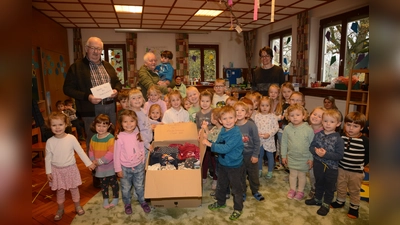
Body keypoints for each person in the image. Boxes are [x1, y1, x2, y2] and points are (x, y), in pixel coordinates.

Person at [63, 37, 122, 186]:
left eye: (99, 49)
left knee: (110, 140)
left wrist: (116, 90)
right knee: (94, 142)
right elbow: (67, 88)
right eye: (93, 48)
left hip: (110, 107)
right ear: (86, 48)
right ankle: (97, 175)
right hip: (91, 109)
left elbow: (117, 83)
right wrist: (87, 97)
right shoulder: (76, 67)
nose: (96, 52)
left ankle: (112, 172)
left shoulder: (108, 66)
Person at [44, 112, 95, 221]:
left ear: (66, 124)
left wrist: (88, 163)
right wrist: (48, 172)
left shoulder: (71, 138)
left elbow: (80, 152)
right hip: (56, 171)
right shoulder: (50, 142)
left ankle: (77, 206)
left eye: (60, 124)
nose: (57, 128)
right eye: (54, 125)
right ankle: (60, 209)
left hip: (70, 169)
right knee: (60, 191)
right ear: (50, 126)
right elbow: (47, 158)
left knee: (74, 189)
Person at [202, 106, 245, 221]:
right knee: (221, 185)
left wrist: (210, 145)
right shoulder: (222, 130)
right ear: (220, 121)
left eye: (231, 118)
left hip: (234, 165)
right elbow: (218, 142)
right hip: (222, 163)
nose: (228, 121)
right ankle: (220, 202)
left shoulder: (236, 133)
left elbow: (226, 148)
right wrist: (209, 140)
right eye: (225, 119)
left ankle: (238, 208)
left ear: (236, 119)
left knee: (236, 188)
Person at [331, 111, 369, 219]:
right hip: (341, 168)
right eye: (348, 125)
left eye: (355, 126)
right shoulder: (341, 137)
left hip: (356, 172)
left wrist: (362, 164)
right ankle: (340, 201)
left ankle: (354, 207)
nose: (351, 128)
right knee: (340, 186)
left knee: (354, 190)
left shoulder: (365, 141)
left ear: (361, 128)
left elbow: (368, 155)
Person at [306, 109, 344, 216]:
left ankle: (326, 204)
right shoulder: (318, 134)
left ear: (338, 124)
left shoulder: (338, 139)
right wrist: (316, 151)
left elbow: (339, 155)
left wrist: (325, 154)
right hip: (318, 163)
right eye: (326, 121)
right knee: (319, 182)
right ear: (322, 122)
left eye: (332, 122)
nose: (328, 124)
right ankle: (317, 199)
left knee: (329, 186)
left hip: (331, 168)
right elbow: (311, 147)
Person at [113, 110, 151, 214]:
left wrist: (143, 161)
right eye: (125, 121)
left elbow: (141, 147)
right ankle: (127, 203)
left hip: (138, 166)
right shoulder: (119, 138)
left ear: (136, 122)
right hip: (125, 168)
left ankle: (142, 201)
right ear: (121, 123)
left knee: (139, 186)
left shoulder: (137, 134)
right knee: (126, 188)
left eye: (131, 121)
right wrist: (118, 169)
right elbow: (116, 155)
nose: (129, 124)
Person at [281, 104, 314, 201]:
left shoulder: (308, 129)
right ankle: (292, 189)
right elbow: (284, 143)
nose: (295, 117)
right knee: (292, 174)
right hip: (291, 157)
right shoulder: (287, 128)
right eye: (292, 115)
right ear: (288, 117)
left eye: (298, 115)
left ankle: (300, 191)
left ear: (304, 116)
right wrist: (283, 156)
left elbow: (312, 145)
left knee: (301, 175)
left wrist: (311, 158)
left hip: (304, 158)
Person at [234, 101, 264, 201]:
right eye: (236, 110)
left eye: (242, 110)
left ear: (247, 114)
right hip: (238, 156)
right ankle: (242, 191)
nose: (239, 112)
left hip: (251, 155)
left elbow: (256, 141)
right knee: (240, 175)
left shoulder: (251, 125)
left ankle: (255, 190)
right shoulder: (232, 126)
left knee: (253, 175)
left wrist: (256, 155)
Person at [88, 114, 118, 209]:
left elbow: (111, 153)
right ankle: (105, 198)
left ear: (109, 126)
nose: (101, 128)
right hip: (99, 167)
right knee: (103, 184)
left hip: (110, 166)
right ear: (94, 125)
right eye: (99, 125)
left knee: (113, 183)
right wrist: (93, 161)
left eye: (104, 126)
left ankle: (115, 197)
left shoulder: (111, 138)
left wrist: (99, 161)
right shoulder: (93, 138)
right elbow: (91, 151)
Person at [254, 96, 279, 179]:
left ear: (270, 106)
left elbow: (276, 127)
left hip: (269, 140)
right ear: (259, 106)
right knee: (259, 155)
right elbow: (254, 127)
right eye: (262, 105)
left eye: (267, 105)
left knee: (270, 156)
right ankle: (259, 170)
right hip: (259, 140)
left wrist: (269, 134)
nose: (264, 108)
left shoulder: (273, 116)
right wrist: (256, 133)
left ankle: (270, 171)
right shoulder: (257, 116)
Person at [201, 107, 222, 194]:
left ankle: (217, 182)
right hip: (214, 152)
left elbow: (213, 139)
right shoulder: (214, 128)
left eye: (212, 117)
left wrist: (206, 132)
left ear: (217, 119)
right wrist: (205, 130)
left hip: (219, 154)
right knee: (215, 168)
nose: (210, 118)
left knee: (218, 170)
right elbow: (210, 135)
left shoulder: (221, 130)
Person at [195, 91, 215, 187]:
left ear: (211, 102)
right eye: (202, 101)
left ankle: (216, 178)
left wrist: (209, 132)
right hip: (203, 140)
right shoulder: (198, 114)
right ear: (199, 102)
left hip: (213, 140)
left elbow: (216, 126)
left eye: (207, 101)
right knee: (204, 159)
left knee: (214, 160)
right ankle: (203, 177)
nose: (205, 103)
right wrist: (199, 132)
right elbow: (198, 126)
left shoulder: (213, 112)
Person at [127, 88, 153, 158]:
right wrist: (147, 145)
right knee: (143, 162)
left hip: (148, 141)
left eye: (139, 97)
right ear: (129, 102)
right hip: (141, 144)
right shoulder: (132, 115)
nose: (137, 100)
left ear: (143, 99)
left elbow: (147, 120)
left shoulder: (142, 110)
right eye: (134, 98)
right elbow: (137, 133)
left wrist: (158, 123)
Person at [306, 106, 326, 199]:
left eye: (320, 116)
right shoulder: (306, 127)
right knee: (309, 173)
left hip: (318, 158)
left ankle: (316, 188)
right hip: (306, 155)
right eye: (314, 114)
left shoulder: (324, 132)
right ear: (310, 114)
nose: (316, 117)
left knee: (316, 175)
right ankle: (313, 186)